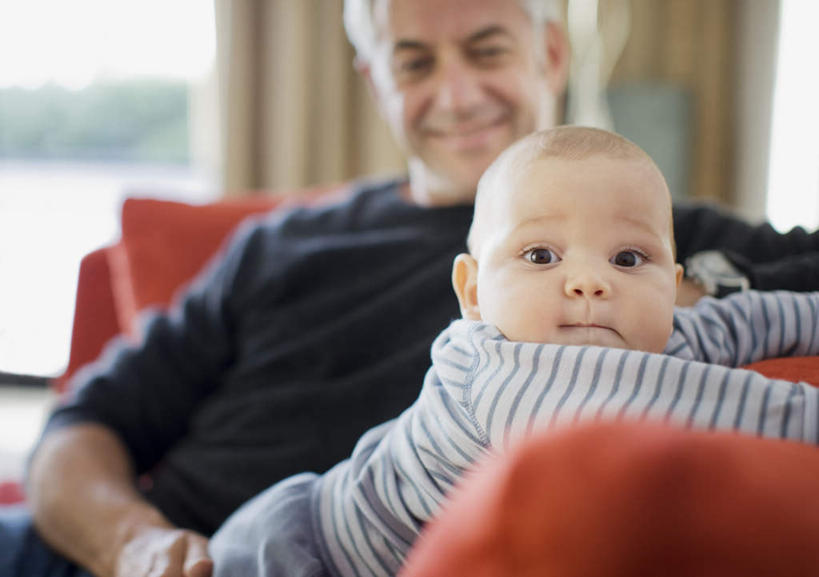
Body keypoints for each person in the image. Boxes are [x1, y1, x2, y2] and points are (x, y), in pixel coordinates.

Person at [2, 1, 819, 576]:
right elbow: (83, 423)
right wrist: (132, 544)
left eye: (487, 48)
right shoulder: (282, 242)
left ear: (550, 54)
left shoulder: (649, 234)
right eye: (415, 62)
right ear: (374, 81)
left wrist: (699, 284)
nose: (456, 93)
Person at [207, 126, 819, 577]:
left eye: (629, 259)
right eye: (541, 256)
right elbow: (739, 411)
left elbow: (743, 320)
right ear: (473, 292)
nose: (589, 281)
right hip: (297, 553)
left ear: (672, 282)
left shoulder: (646, 330)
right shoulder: (512, 376)